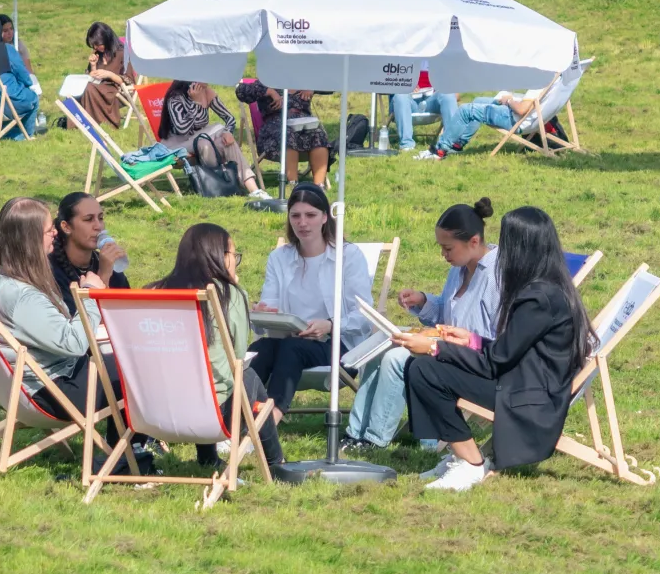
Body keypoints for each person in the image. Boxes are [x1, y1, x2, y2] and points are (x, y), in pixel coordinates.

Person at [399, 205, 593, 492]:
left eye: (507, 243)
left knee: (426, 370)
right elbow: (510, 349)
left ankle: (470, 463)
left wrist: (434, 346)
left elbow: (495, 362)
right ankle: (460, 455)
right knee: (421, 366)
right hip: (525, 382)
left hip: (531, 397)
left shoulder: (538, 298)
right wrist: (471, 340)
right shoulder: (547, 288)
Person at [0, 197, 148, 471]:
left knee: (128, 359)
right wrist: (90, 295)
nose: (54, 234)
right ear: (30, 239)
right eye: (49, 229)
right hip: (53, 392)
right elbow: (74, 343)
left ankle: (132, 447)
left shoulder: (4, 283)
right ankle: (125, 455)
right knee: (138, 362)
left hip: (32, 385)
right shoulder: (23, 297)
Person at [345, 198, 498, 452]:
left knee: (397, 359)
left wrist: (444, 341)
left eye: (448, 248)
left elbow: (497, 338)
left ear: (473, 241)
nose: (443, 255)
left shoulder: (496, 276)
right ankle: (356, 432)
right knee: (380, 348)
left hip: (473, 358)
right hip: (448, 346)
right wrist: (424, 301)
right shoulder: (459, 267)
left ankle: (374, 439)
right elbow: (447, 312)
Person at [153, 223, 286, 473]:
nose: (235, 261)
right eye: (234, 255)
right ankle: (276, 463)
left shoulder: (154, 291)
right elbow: (237, 355)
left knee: (206, 378)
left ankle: (208, 457)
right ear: (220, 257)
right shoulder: (228, 294)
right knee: (247, 375)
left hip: (153, 412)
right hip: (212, 416)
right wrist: (234, 290)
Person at [251, 183, 372, 415]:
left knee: (292, 348)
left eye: (310, 215)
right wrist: (263, 313)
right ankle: (237, 416)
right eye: (295, 216)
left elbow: (364, 317)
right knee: (259, 349)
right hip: (290, 340)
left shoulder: (348, 256)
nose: (302, 223)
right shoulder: (279, 258)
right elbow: (269, 306)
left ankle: (269, 420)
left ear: (325, 217)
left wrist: (331, 325)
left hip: (338, 346)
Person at [160, 79, 270, 198]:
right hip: (177, 148)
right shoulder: (175, 97)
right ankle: (221, 185)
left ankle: (253, 189)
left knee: (214, 142)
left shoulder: (207, 92)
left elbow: (230, 119)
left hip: (201, 142)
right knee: (217, 129)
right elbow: (182, 129)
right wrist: (195, 103)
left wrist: (227, 132)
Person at [234, 80, 330, 186]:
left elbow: (331, 85)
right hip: (275, 128)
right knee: (287, 134)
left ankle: (319, 186)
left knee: (318, 134)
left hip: (304, 125)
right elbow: (240, 91)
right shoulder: (267, 81)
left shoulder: (302, 81)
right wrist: (270, 91)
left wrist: (312, 88)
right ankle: (292, 183)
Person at [49, 191, 130, 306]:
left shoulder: (107, 263)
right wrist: (103, 276)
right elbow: (80, 316)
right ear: (66, 227)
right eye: (88, 219)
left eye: (100, 218)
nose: (98, 226)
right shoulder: (50, 271)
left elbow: (127, 309)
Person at [419, 86, 547, 158]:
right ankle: (457, 144)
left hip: (512, 118)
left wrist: (509, 101)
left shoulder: (539, 84)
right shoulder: (552, 83)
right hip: (521, 116)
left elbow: (521, 110)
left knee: (465, 110)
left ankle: (439, 150)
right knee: (478, 101)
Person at [0, 13, 45, 135]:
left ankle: (6, 131)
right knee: (32, 97)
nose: (9, 33)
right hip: (1, 102)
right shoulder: (5, 49)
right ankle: (23, 135)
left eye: (11, 29)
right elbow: (25, 78)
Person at [79, 22, 135, 128]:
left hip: (119, 89)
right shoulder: (97, 54)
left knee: (90, 89)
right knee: (79, 89)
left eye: (98, 44)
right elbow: (93, 78)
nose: (96, 47)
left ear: (107, 39)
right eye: (93, 45)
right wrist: (93, 66)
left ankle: (92, 123)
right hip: (99, 87)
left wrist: (109, 75)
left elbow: (129, 81)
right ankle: (80, 122)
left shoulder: (122, 53)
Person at [389, 85, 459, 152]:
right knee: (401, 95)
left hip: (430, 101)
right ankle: (406, 145)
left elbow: (457, 96)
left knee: (448, 93)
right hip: (405, 101)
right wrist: (405, 85)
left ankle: (451, 143)